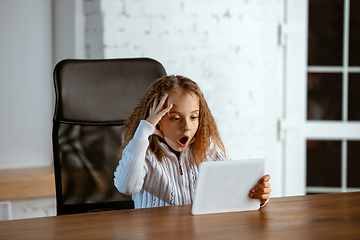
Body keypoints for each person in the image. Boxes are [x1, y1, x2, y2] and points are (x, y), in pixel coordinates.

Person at [114, 75, 271, 209]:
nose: (187, 127)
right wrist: (144, 130)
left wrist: (258, 196)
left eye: (194, 117)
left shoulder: (207, 150)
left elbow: (233, 191)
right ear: (157, 120)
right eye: (176, 118)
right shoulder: (144, 154)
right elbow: (126, 187)